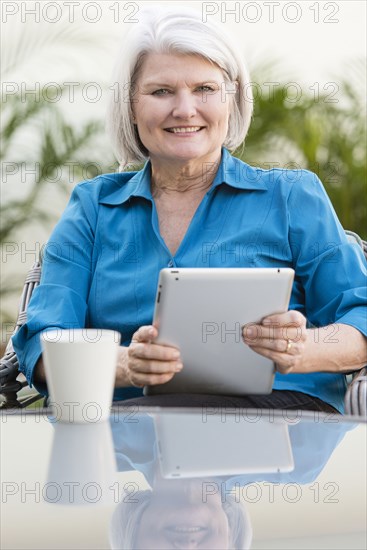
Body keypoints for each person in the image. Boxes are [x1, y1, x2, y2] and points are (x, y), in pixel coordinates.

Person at [12, 7, 367, 413]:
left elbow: (361, 316)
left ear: (231, 99)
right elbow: (44, 342)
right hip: (128, 438)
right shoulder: (92, 208)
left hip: (279, 423)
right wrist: (127, 365)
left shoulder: (292, 196)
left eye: (205, 89)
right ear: (130, 105)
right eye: (161, 91)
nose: (184, 109)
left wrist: (303, 349)